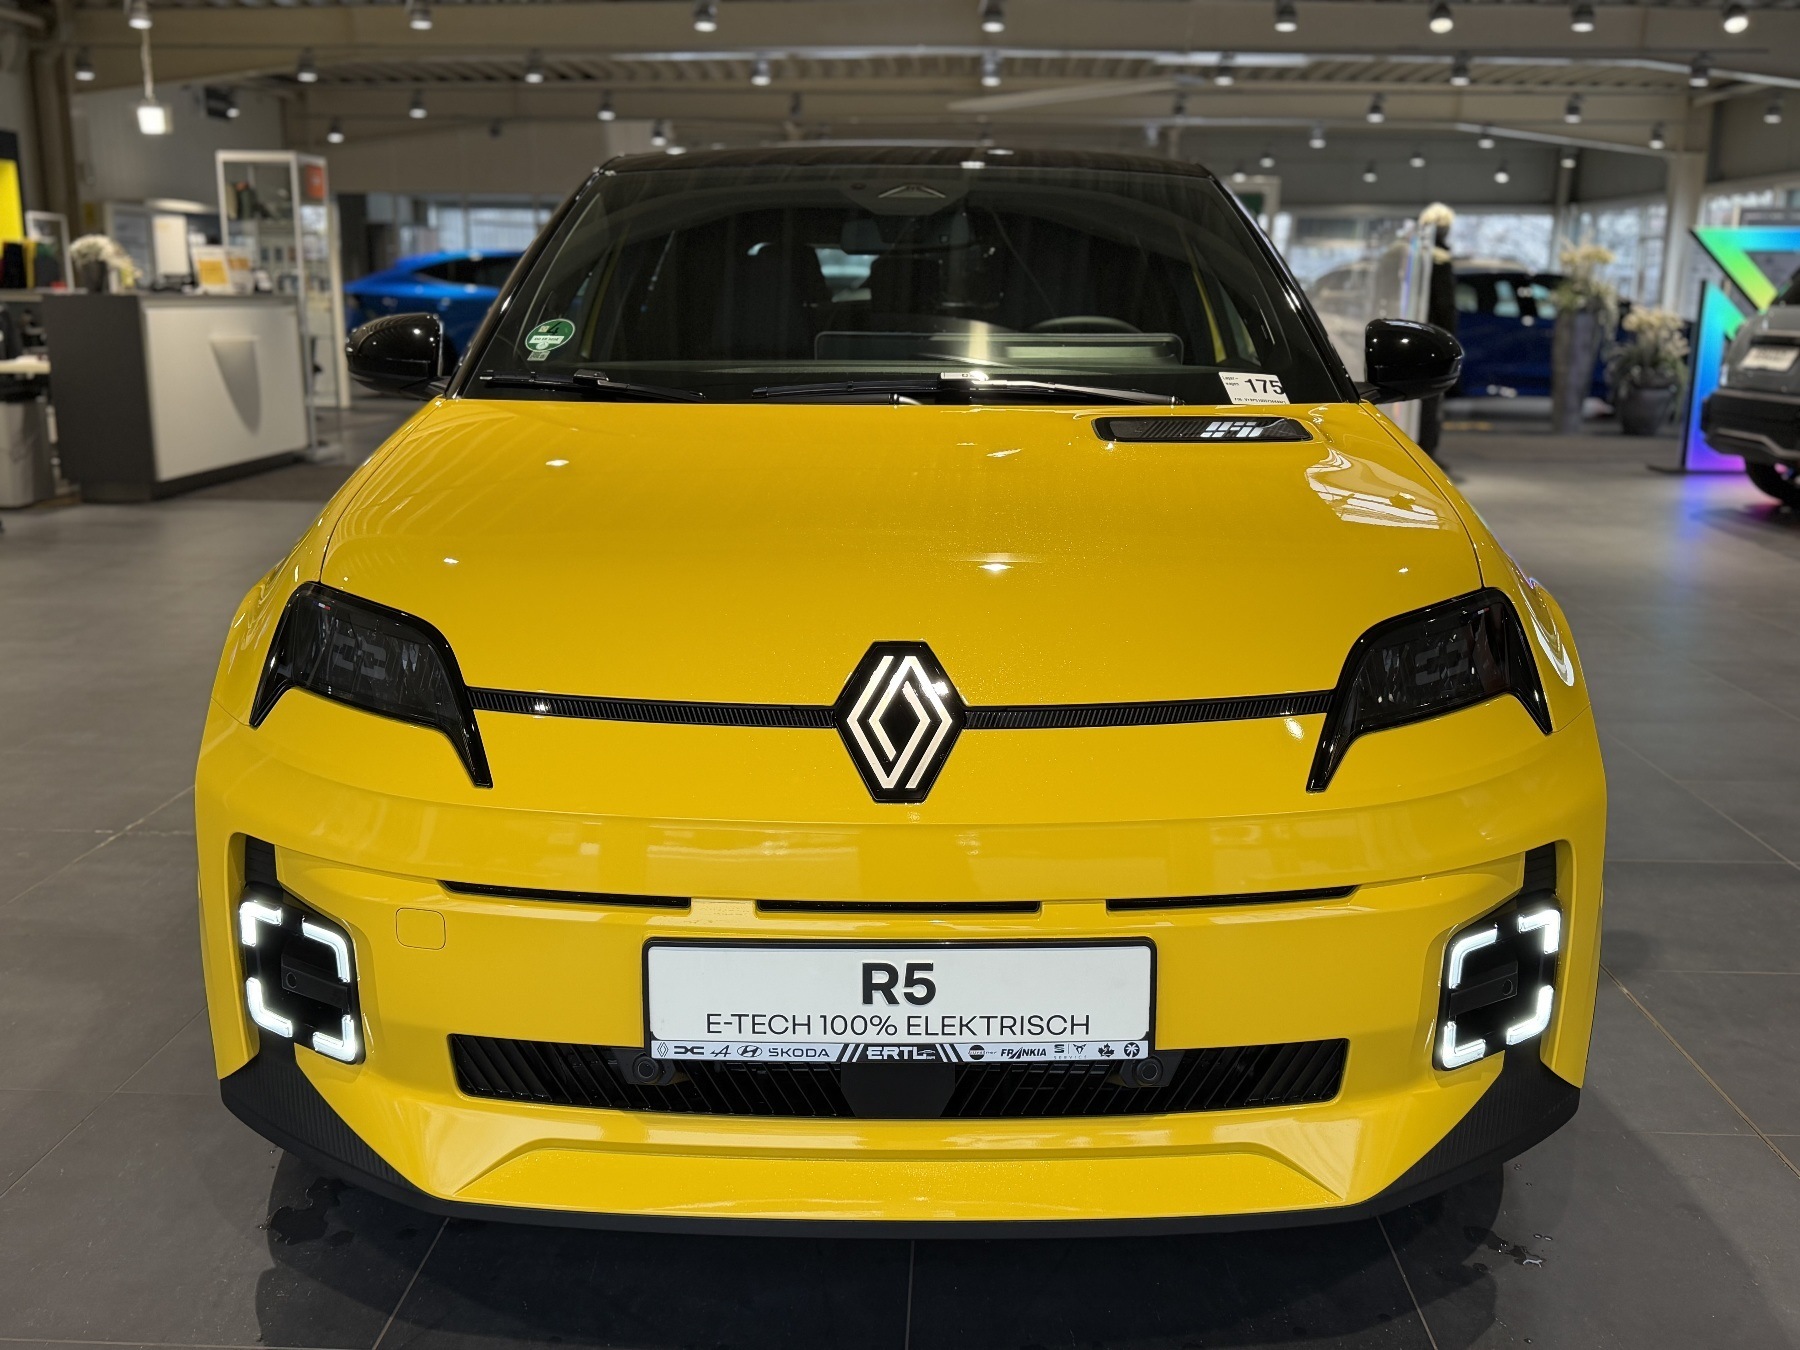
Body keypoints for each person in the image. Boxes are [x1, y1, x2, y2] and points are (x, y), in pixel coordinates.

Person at [1417, 202, 1457, 460]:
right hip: (1432, 337)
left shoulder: (1408, 254)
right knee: (1431, 397)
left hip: (1411, 331)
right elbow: (1445, 305)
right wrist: (1450, 338)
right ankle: (1427, 452)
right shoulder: (1440, 259)